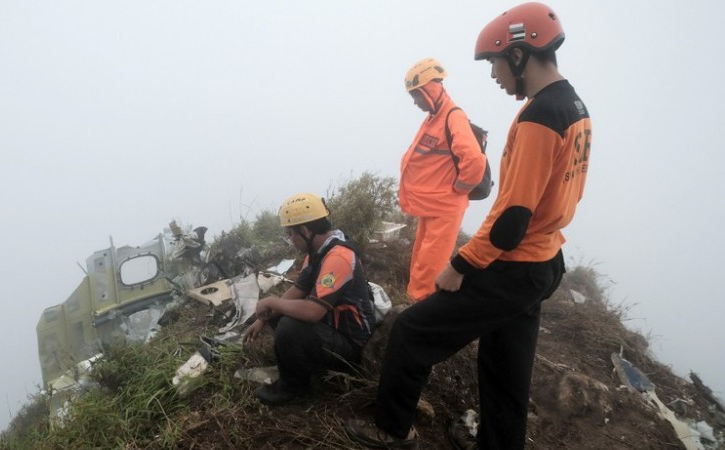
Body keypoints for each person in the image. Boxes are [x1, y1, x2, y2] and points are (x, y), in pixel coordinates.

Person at [345, 3, 592, 449]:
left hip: (515, 262)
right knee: (505, 371)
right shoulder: (574, 106)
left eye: (495, 62)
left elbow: (513, 216)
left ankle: (389, 429)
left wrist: (460, 264)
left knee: (411, 331)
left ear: (519, 54)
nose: (495, 75)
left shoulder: (539, 116)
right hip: (545, 260)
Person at [244, 193, 376, 405]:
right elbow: (297, 290)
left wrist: (271, 302)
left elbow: (314, 312)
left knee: (289, 325)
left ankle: (293, 387)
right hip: (333, 328)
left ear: (305, 231)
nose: (290, 240)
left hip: (352, 344)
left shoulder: (338, 257)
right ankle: (302, 366)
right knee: (280, 314)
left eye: (290, 234)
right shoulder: (316, 254)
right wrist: (263, 318)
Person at [399, 57, 487, 302]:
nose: (415, 102)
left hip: (445, 205)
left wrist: (460, 189)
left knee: (431, 261)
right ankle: (414, 300)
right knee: (420, 256)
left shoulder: (453, 116)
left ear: (430, 89)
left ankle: (420, 307)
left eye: (416, 95)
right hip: (431, 204)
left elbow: (474, 160)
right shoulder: (434, 118)